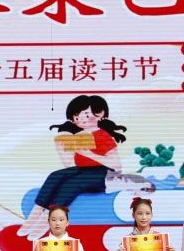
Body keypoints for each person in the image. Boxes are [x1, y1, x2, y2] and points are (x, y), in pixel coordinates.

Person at [21, 95, 126, 238]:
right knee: (56, 176)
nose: (81, 119)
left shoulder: (103, 136)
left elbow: (117, 166)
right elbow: (70, 165)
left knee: (72, 183)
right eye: (76, 117)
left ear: (100, 114)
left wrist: (89, 154)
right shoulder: (79, 137)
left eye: (86, 115)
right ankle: (33, 218)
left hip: (105, 173)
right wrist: (61, 148)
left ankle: (46, 221)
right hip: (84, 171)